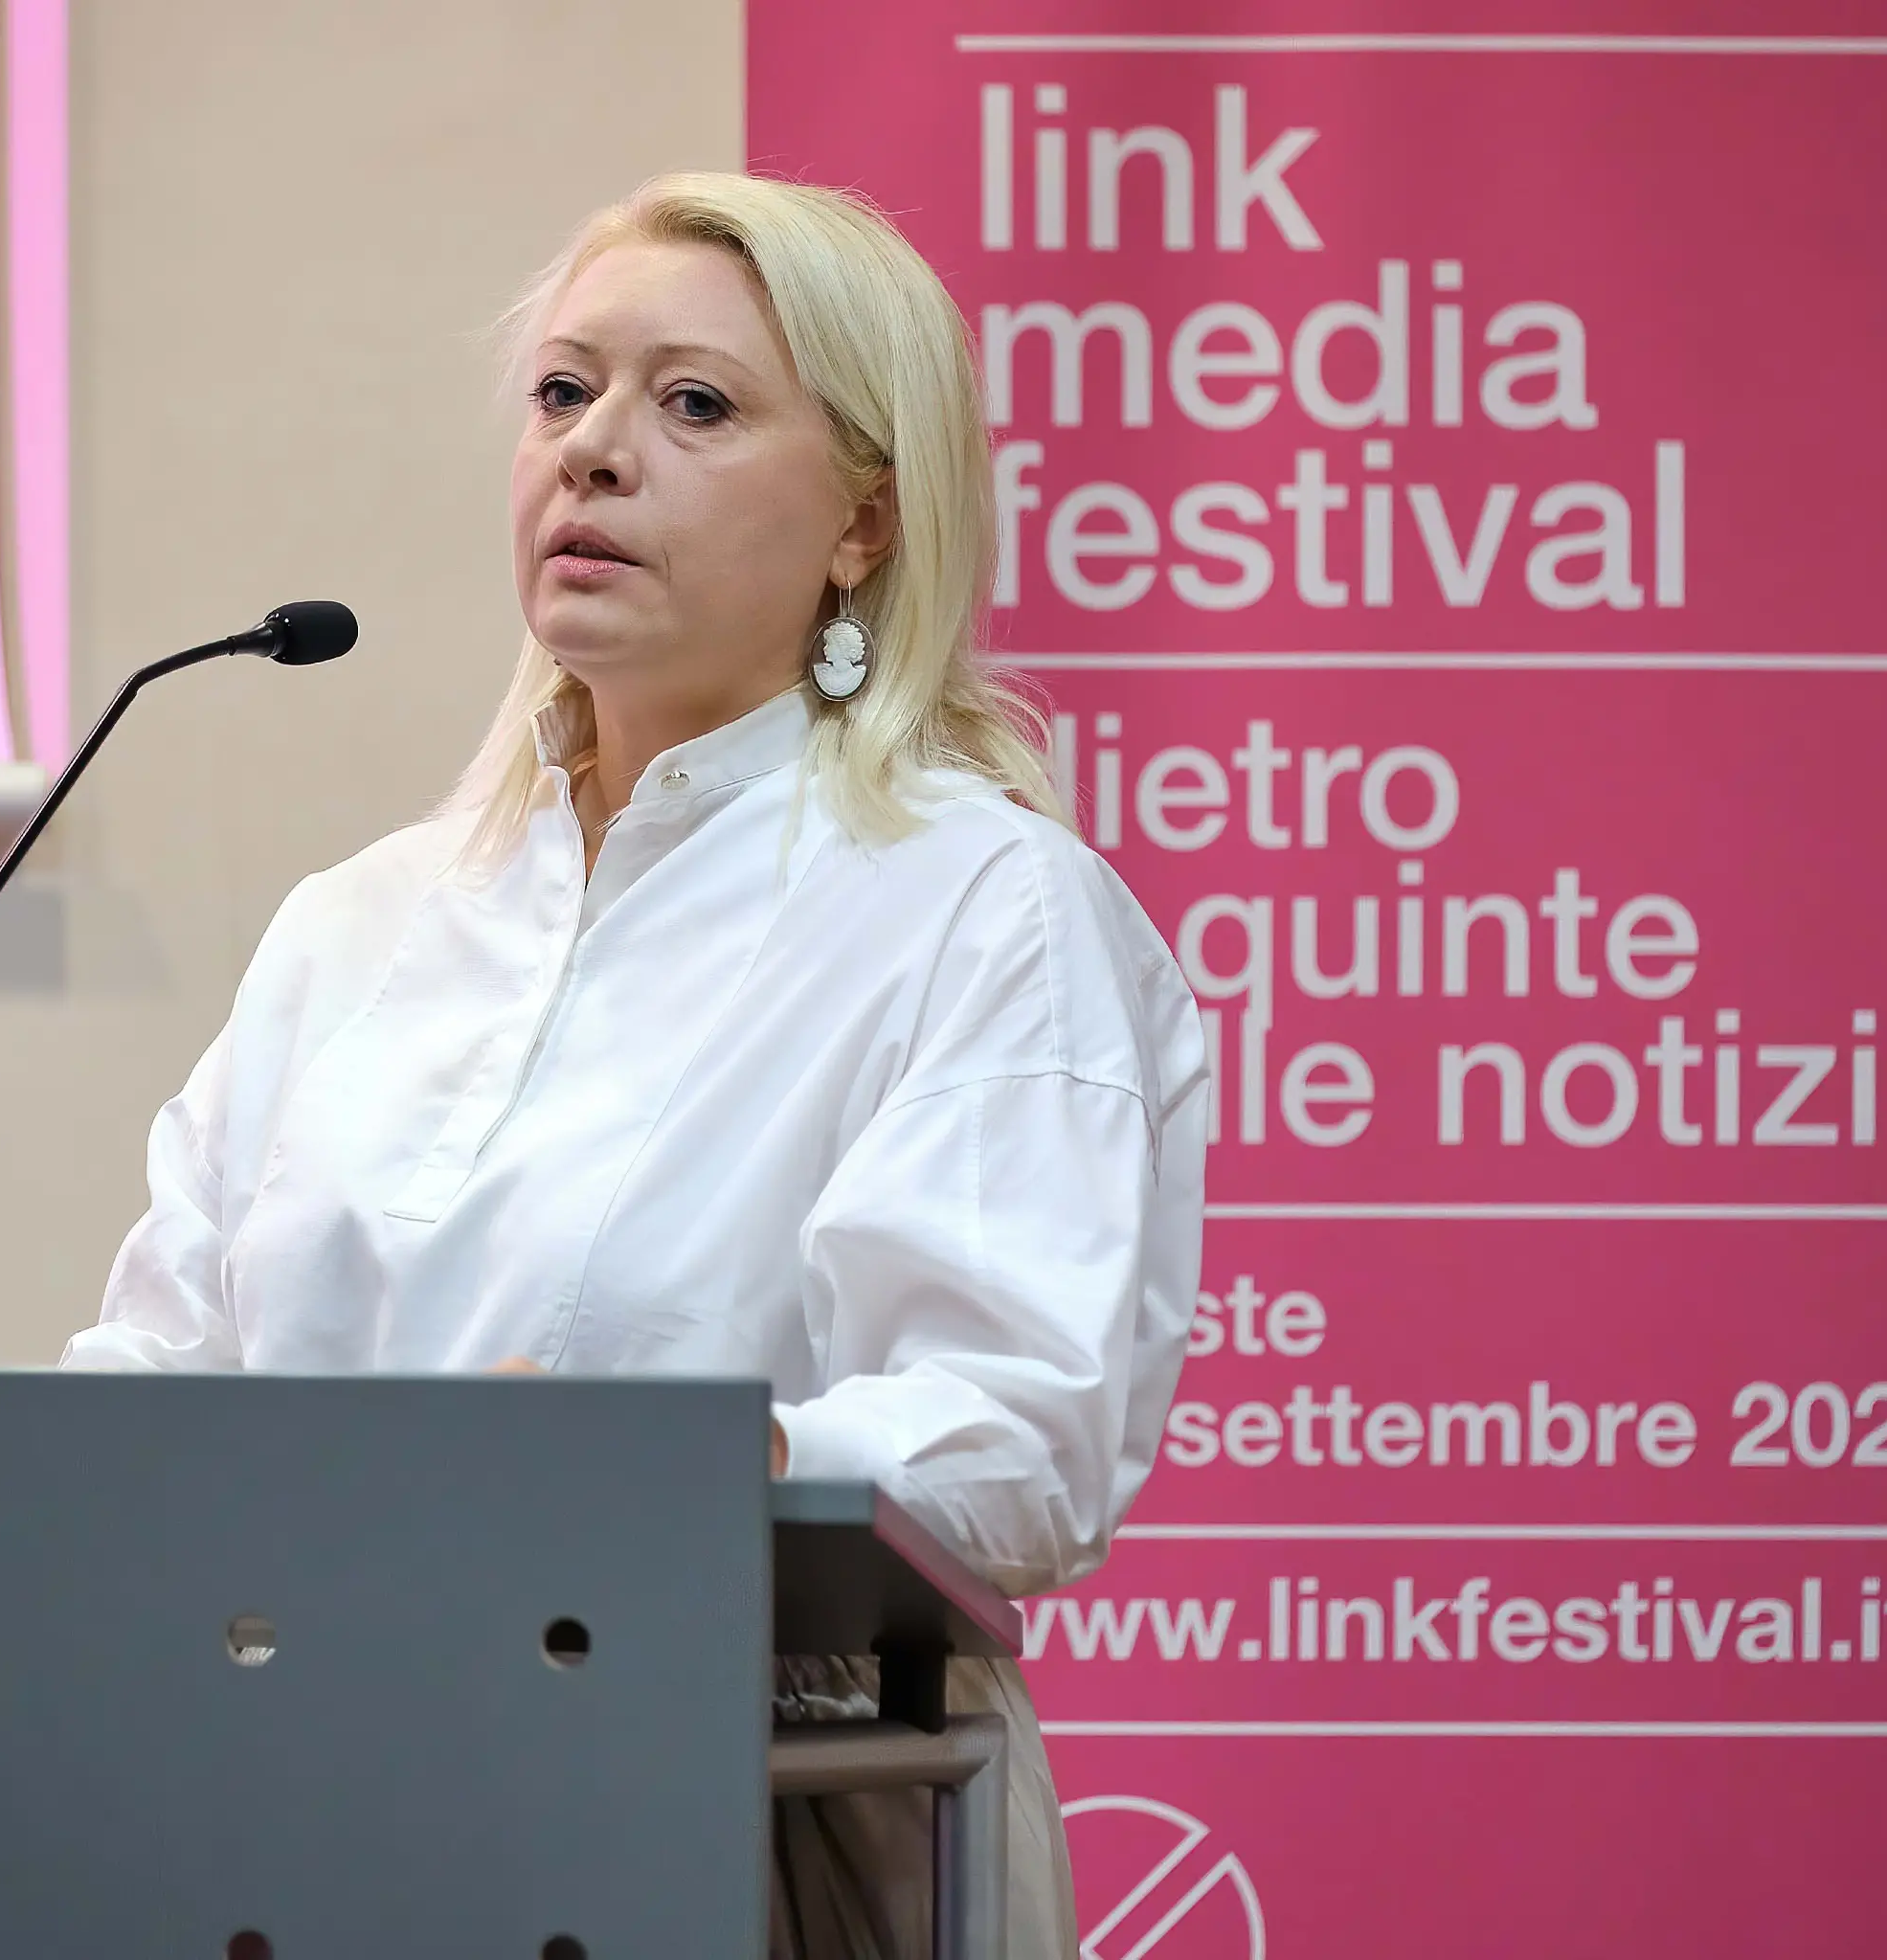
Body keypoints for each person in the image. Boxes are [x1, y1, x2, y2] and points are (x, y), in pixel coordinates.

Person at [62, 170, 1207, 1956]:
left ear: (863, 522)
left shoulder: (983, 907)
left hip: (752, 1813)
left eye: (693, 405)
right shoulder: (355, 925)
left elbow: (1018, 1433)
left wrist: (670, 1462)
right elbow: (159, 1364)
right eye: (559, 392)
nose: (593, 451)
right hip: (295, 1806)